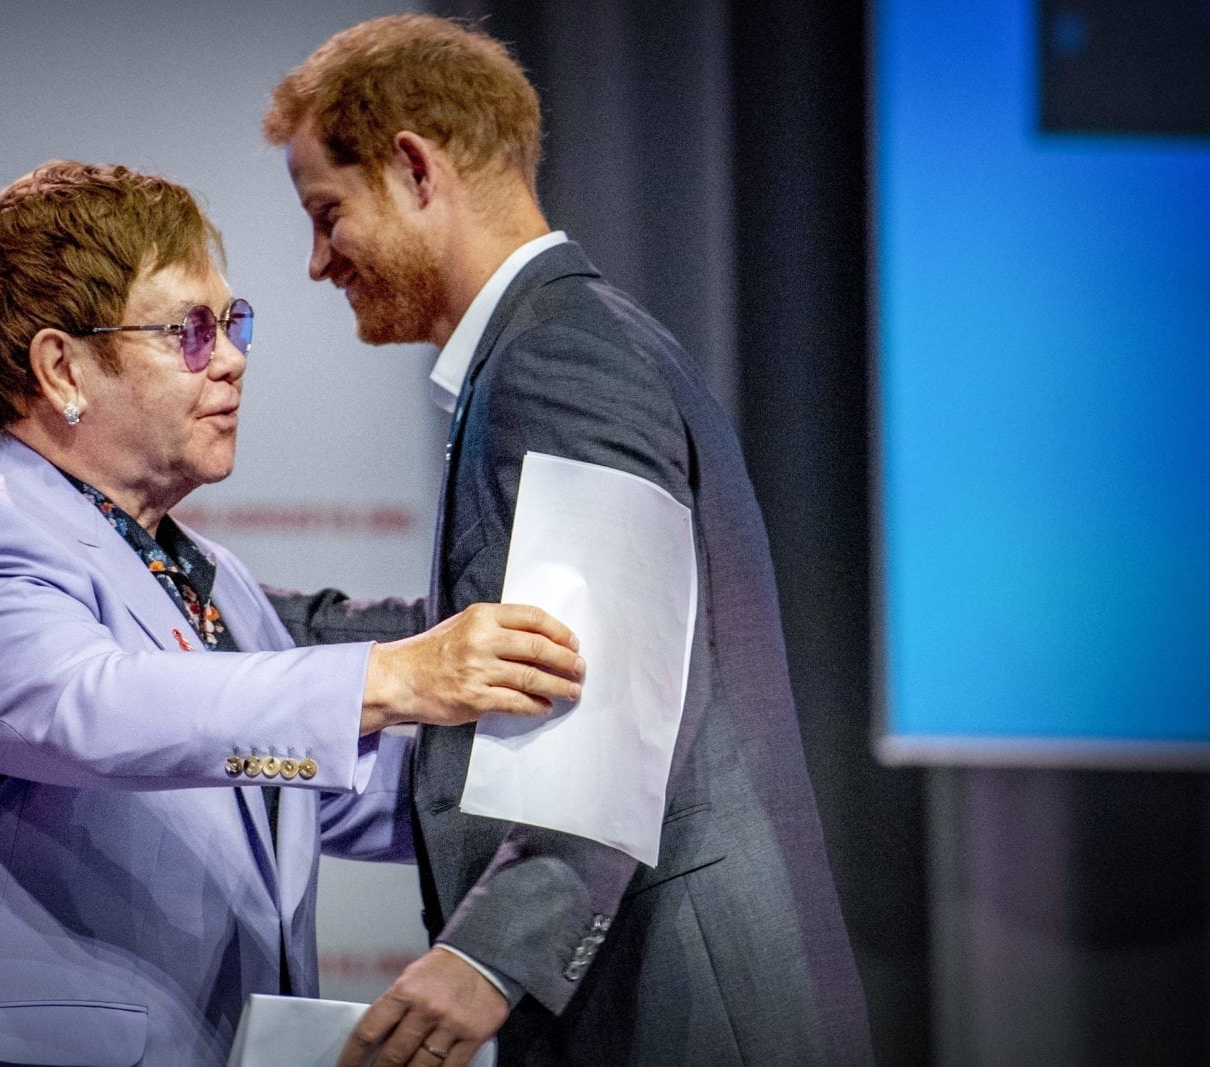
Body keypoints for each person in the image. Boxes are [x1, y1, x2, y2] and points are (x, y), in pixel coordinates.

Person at [0, 160, 584, 1067]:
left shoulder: (213, 582)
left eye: (233, 324)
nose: (232, 358)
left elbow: (335, 783)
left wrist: (571, 780)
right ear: (62, 367)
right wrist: (395, 674)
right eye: (189, 332)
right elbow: (95, 709)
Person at [264, 16, 872, 1065]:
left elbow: (609, 682)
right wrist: (224, 608)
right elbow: (502, 638)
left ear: (414, 169)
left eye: (328, 214)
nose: (319, 262)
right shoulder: (561, 342)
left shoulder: (556, 359)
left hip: (684, 1011)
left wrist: (489, 953)